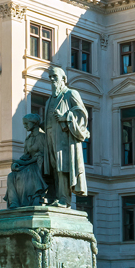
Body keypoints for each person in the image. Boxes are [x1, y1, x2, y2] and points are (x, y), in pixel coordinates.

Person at [39, 66, 90, 207]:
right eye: (50, 77)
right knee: (54, 168)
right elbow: (48, 121)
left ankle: (64, 199)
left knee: (63, 167)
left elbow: (82, 114)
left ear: (63, 79)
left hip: (64, 140)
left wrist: (66, 117)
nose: (52, 79)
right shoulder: (49, 100)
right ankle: (56, 196)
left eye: (54, 76)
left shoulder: (70, 94)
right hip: (49, 138)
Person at [4, 114, 49, 209]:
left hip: (39, 165)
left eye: (26, 123)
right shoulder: (28, 139)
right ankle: (14, 202)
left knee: (31, 171)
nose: (24, 126)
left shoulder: (43, 137)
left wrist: (27, 163)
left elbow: (45, 155)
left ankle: (34, 198)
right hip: (29, 164)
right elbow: (26, 156)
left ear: (34, 123)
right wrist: (16, 163)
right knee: (11, 176)